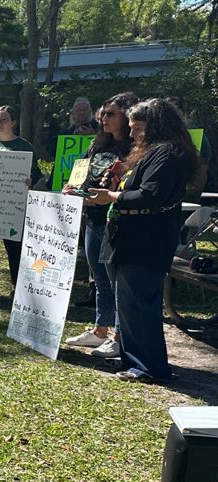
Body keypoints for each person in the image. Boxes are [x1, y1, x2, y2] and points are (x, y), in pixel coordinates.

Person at [88, 98, 202, 384]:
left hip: (145, 241)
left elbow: (151, 195)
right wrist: (113, 182)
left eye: (137, 128)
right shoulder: (149, 152)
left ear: (156, 125)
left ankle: (151, 366)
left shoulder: (168, 153)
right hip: (128, 238)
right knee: (128, 304)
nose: (132, 134)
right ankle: (136, 361)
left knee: (140, 305)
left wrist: (111, 197)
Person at [63, 92, 138, 359]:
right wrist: (72, 189)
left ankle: (119, 336)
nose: (104, 119)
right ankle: (100, 330)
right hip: (93, 219)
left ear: (127, 116)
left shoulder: (135, 148)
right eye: (103, 114)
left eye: (111, 114)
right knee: (99, 279)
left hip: (117, 222)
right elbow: (81, 173)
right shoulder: (98, 145)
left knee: (116, 279)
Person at [0, 105, 42, 297]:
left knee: (14, 248)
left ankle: (15, 287)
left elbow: (37, 174)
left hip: (14, 208)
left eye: (4, 119)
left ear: (13, 122)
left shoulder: (24, 146)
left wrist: (31, 180)